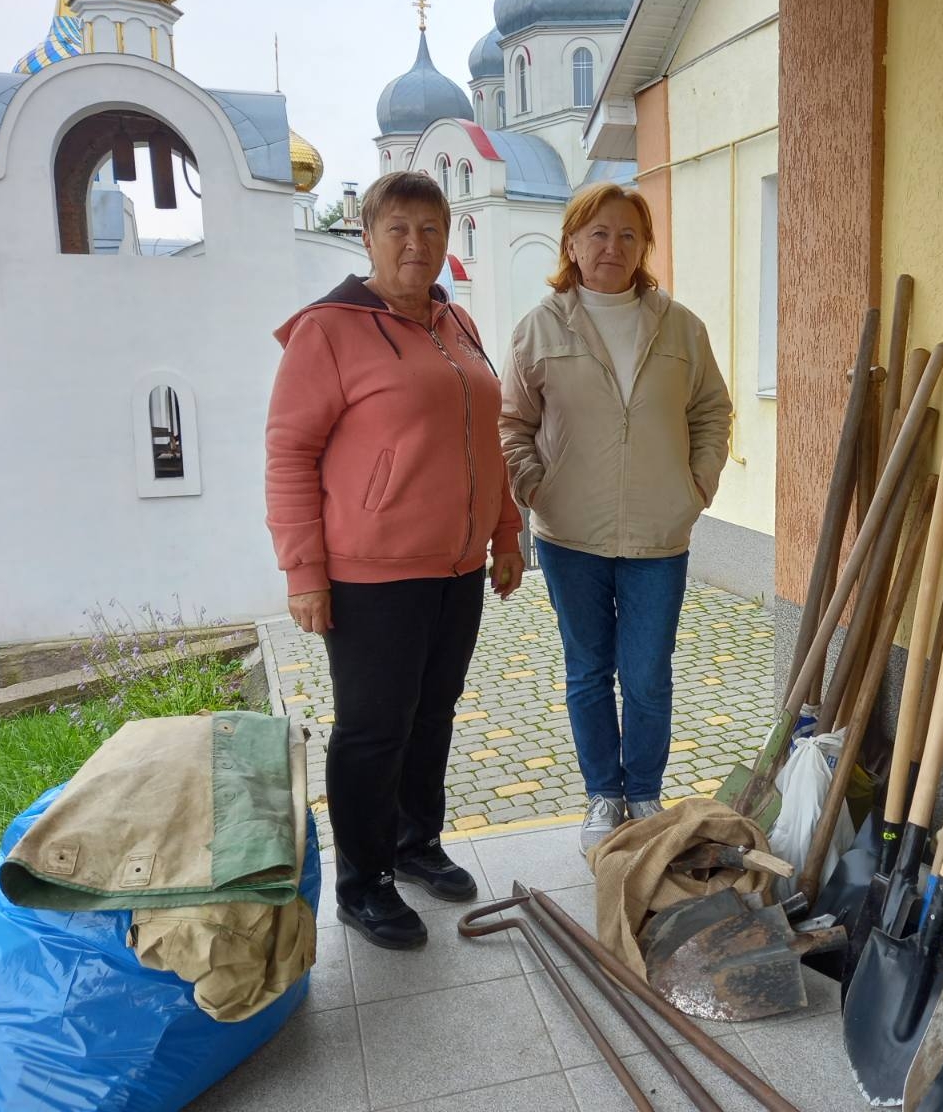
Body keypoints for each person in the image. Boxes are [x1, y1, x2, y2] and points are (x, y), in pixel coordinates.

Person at [265, 171, 525, 949]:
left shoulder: (459, 323)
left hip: (455, 571)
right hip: (372, 573)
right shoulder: (328, 330)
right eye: (399, 229)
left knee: (432, 716)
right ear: (369, 236)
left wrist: (506, 533)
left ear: (448, 237)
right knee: (373, 731)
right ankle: (364, 881)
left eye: (431, 229)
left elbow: (488, 443)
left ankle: (416, 845)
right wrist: (303, 571)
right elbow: (288, 456)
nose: (417, 244)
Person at [500, 182, 732, 855]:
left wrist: (698, 482)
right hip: (571, 534)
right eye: (598, 233)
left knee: (648, 673)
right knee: (587, 670)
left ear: (644, 248)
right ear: (571, 244)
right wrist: (535, 485)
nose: (612, 246)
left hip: (661, 532)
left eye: (628, 235)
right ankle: (604, 795)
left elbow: (711, 409)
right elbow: (513, 421)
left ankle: (645, 791)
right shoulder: (540, 326)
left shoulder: (680, 326)